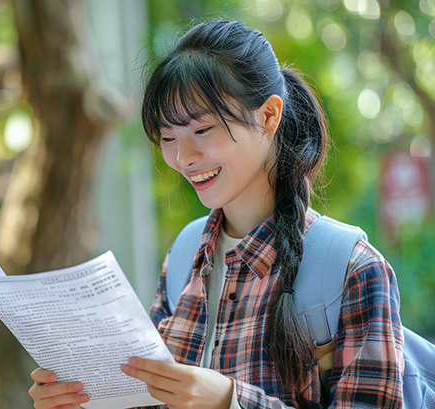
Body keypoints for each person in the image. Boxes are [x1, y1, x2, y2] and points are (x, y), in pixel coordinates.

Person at [28, 18, 404, 409]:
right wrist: (84, 400)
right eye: (169, 138)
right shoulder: (183, 258)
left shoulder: (353, 270)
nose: (182, 158)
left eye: (203, 131)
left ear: (269, 116)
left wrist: (230, 401)